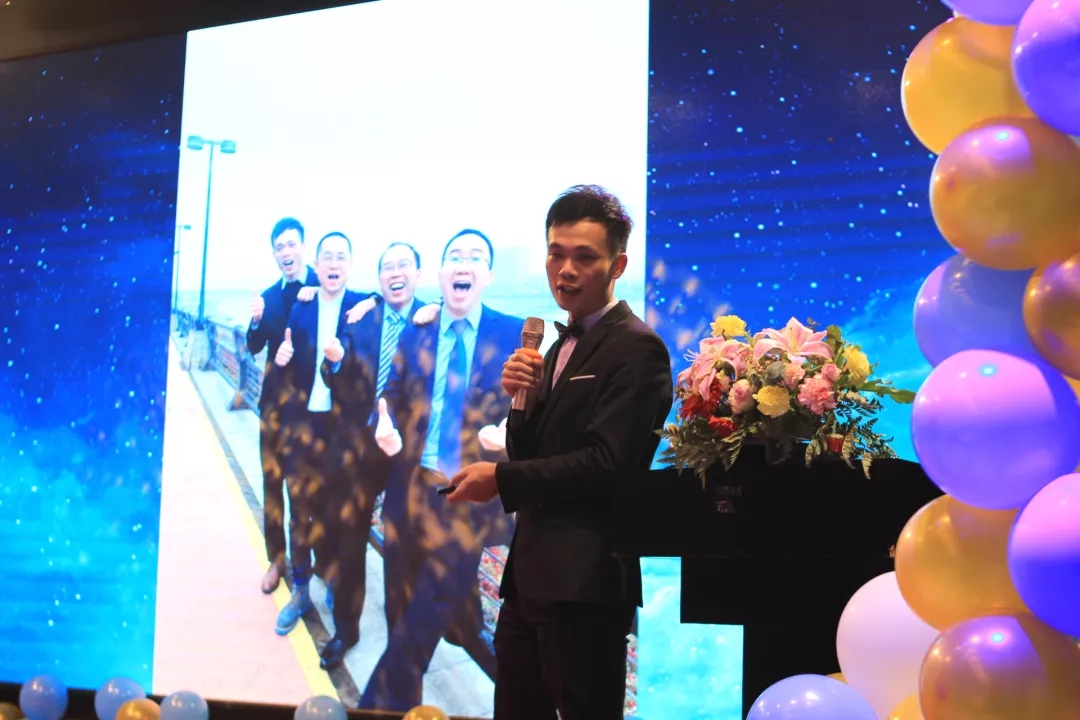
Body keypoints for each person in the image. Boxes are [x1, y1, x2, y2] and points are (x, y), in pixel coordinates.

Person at [448, 186, 674, 720]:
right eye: (556, 253)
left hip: (586, 585)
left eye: (584, 257)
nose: (565, 270)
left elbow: (608, 464)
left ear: (618, 265)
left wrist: (500, 480)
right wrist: (521, 400)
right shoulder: (555, 347)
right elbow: (529, 451)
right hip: (529, 579)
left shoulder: (637, 348)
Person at [359, 229, 520, 710]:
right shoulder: (418, 330)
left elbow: (535, 410)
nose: (463, 264)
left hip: (466, 501)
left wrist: (514, 436)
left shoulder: (513, 335)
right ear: (442, 272)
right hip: (408, 493)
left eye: (475, 257)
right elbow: (390, 394)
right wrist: (383, 423)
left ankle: (372, 709)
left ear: (488, 275)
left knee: (417, 629)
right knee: (399, 615)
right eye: (454, 256)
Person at [315, 241, 429, 670]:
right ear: (379, 278)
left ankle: (401, 636)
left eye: (404, 265)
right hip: (359, 448)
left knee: (401, 547)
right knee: (349, 541)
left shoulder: (433, 320)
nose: (395, 273)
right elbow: (333, 373)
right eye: (387, 267)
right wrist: (334, 361)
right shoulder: (361, 317)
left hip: (405, 453)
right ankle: (346, 629)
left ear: (418, 273)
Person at [272, 231, 371, 636]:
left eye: (340, 257)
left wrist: (372, 301)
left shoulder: (362, 306)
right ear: (316, 265)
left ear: (350, 265)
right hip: (301, 426)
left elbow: (396, 302)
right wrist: (281, 360)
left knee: (333, 512)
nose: (333, 263)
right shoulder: (301, 307)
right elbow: (286, 365)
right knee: (299, 511)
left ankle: (330, 576)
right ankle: (300, 589)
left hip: (338, 430)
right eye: (326, 257)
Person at [246, 218, 319, 595]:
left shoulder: (324, 286)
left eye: (292, 244)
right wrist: (256, 320)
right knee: (272, 483)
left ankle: (312, 559)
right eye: (279, 247)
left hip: (314, 409)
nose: (286, 252)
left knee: (307, 489)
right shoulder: (269, 297)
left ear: (303, 246)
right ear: (274, 253)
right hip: (274, 407)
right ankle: (277, 559)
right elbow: (253, 346)